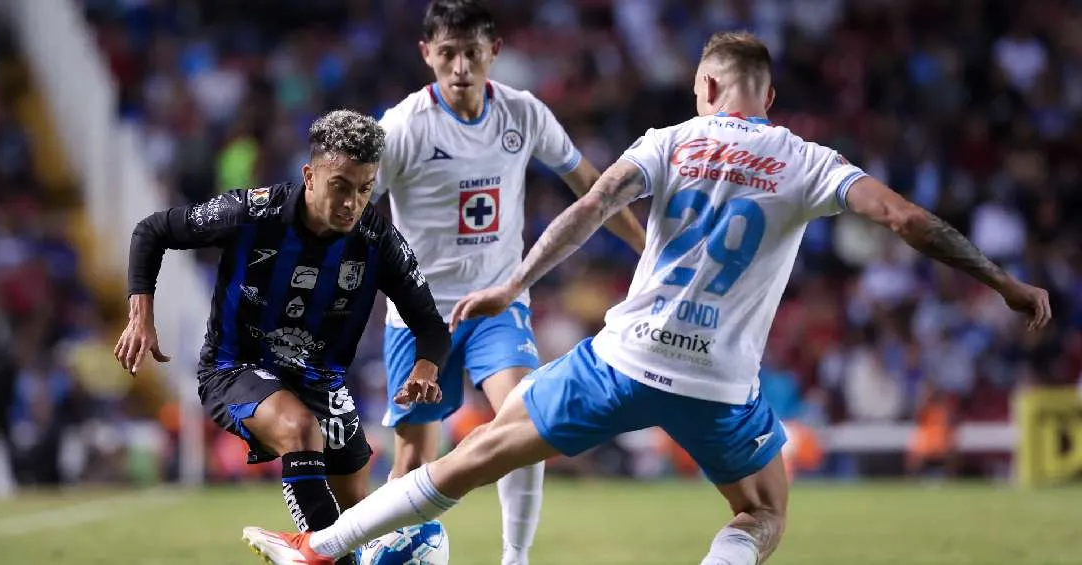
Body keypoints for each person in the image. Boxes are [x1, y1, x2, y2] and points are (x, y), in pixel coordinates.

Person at [239, 31, 1053, 565]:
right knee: (763, 511)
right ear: (768, 99)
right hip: (718, 385)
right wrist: (1004, 282)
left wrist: (515, 281)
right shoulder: (809, 159)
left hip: (621, 360)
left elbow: (593, 205)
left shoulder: (668, 141)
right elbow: (906, 219)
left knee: (473, 454)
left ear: (706, 85)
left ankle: (318, 548)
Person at [369, 2, 646, 563]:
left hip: (497, 303)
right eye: (448, 53)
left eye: (473, 53)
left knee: (525, 422)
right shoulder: (401, 127)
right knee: (413, 463)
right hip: (420, 316)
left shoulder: (523, 113)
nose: (461, 67)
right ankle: (380, 550)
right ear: (427, 54)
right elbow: (351, 205)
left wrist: (648, 250)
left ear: (494, 52)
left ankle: (515, 559)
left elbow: (591, 187)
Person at [115, 110, 450, 565]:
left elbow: (431, 325)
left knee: (358, 515)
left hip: (321, 381)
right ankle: (309, 555)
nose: (352, 202)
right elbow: (152, 230)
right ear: (310, 176)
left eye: (365, 188)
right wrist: (140, 313)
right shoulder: (253, 212)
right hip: (235, 367)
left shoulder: (378, 240)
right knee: (299, 428)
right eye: (341, 186)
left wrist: (426, 367)